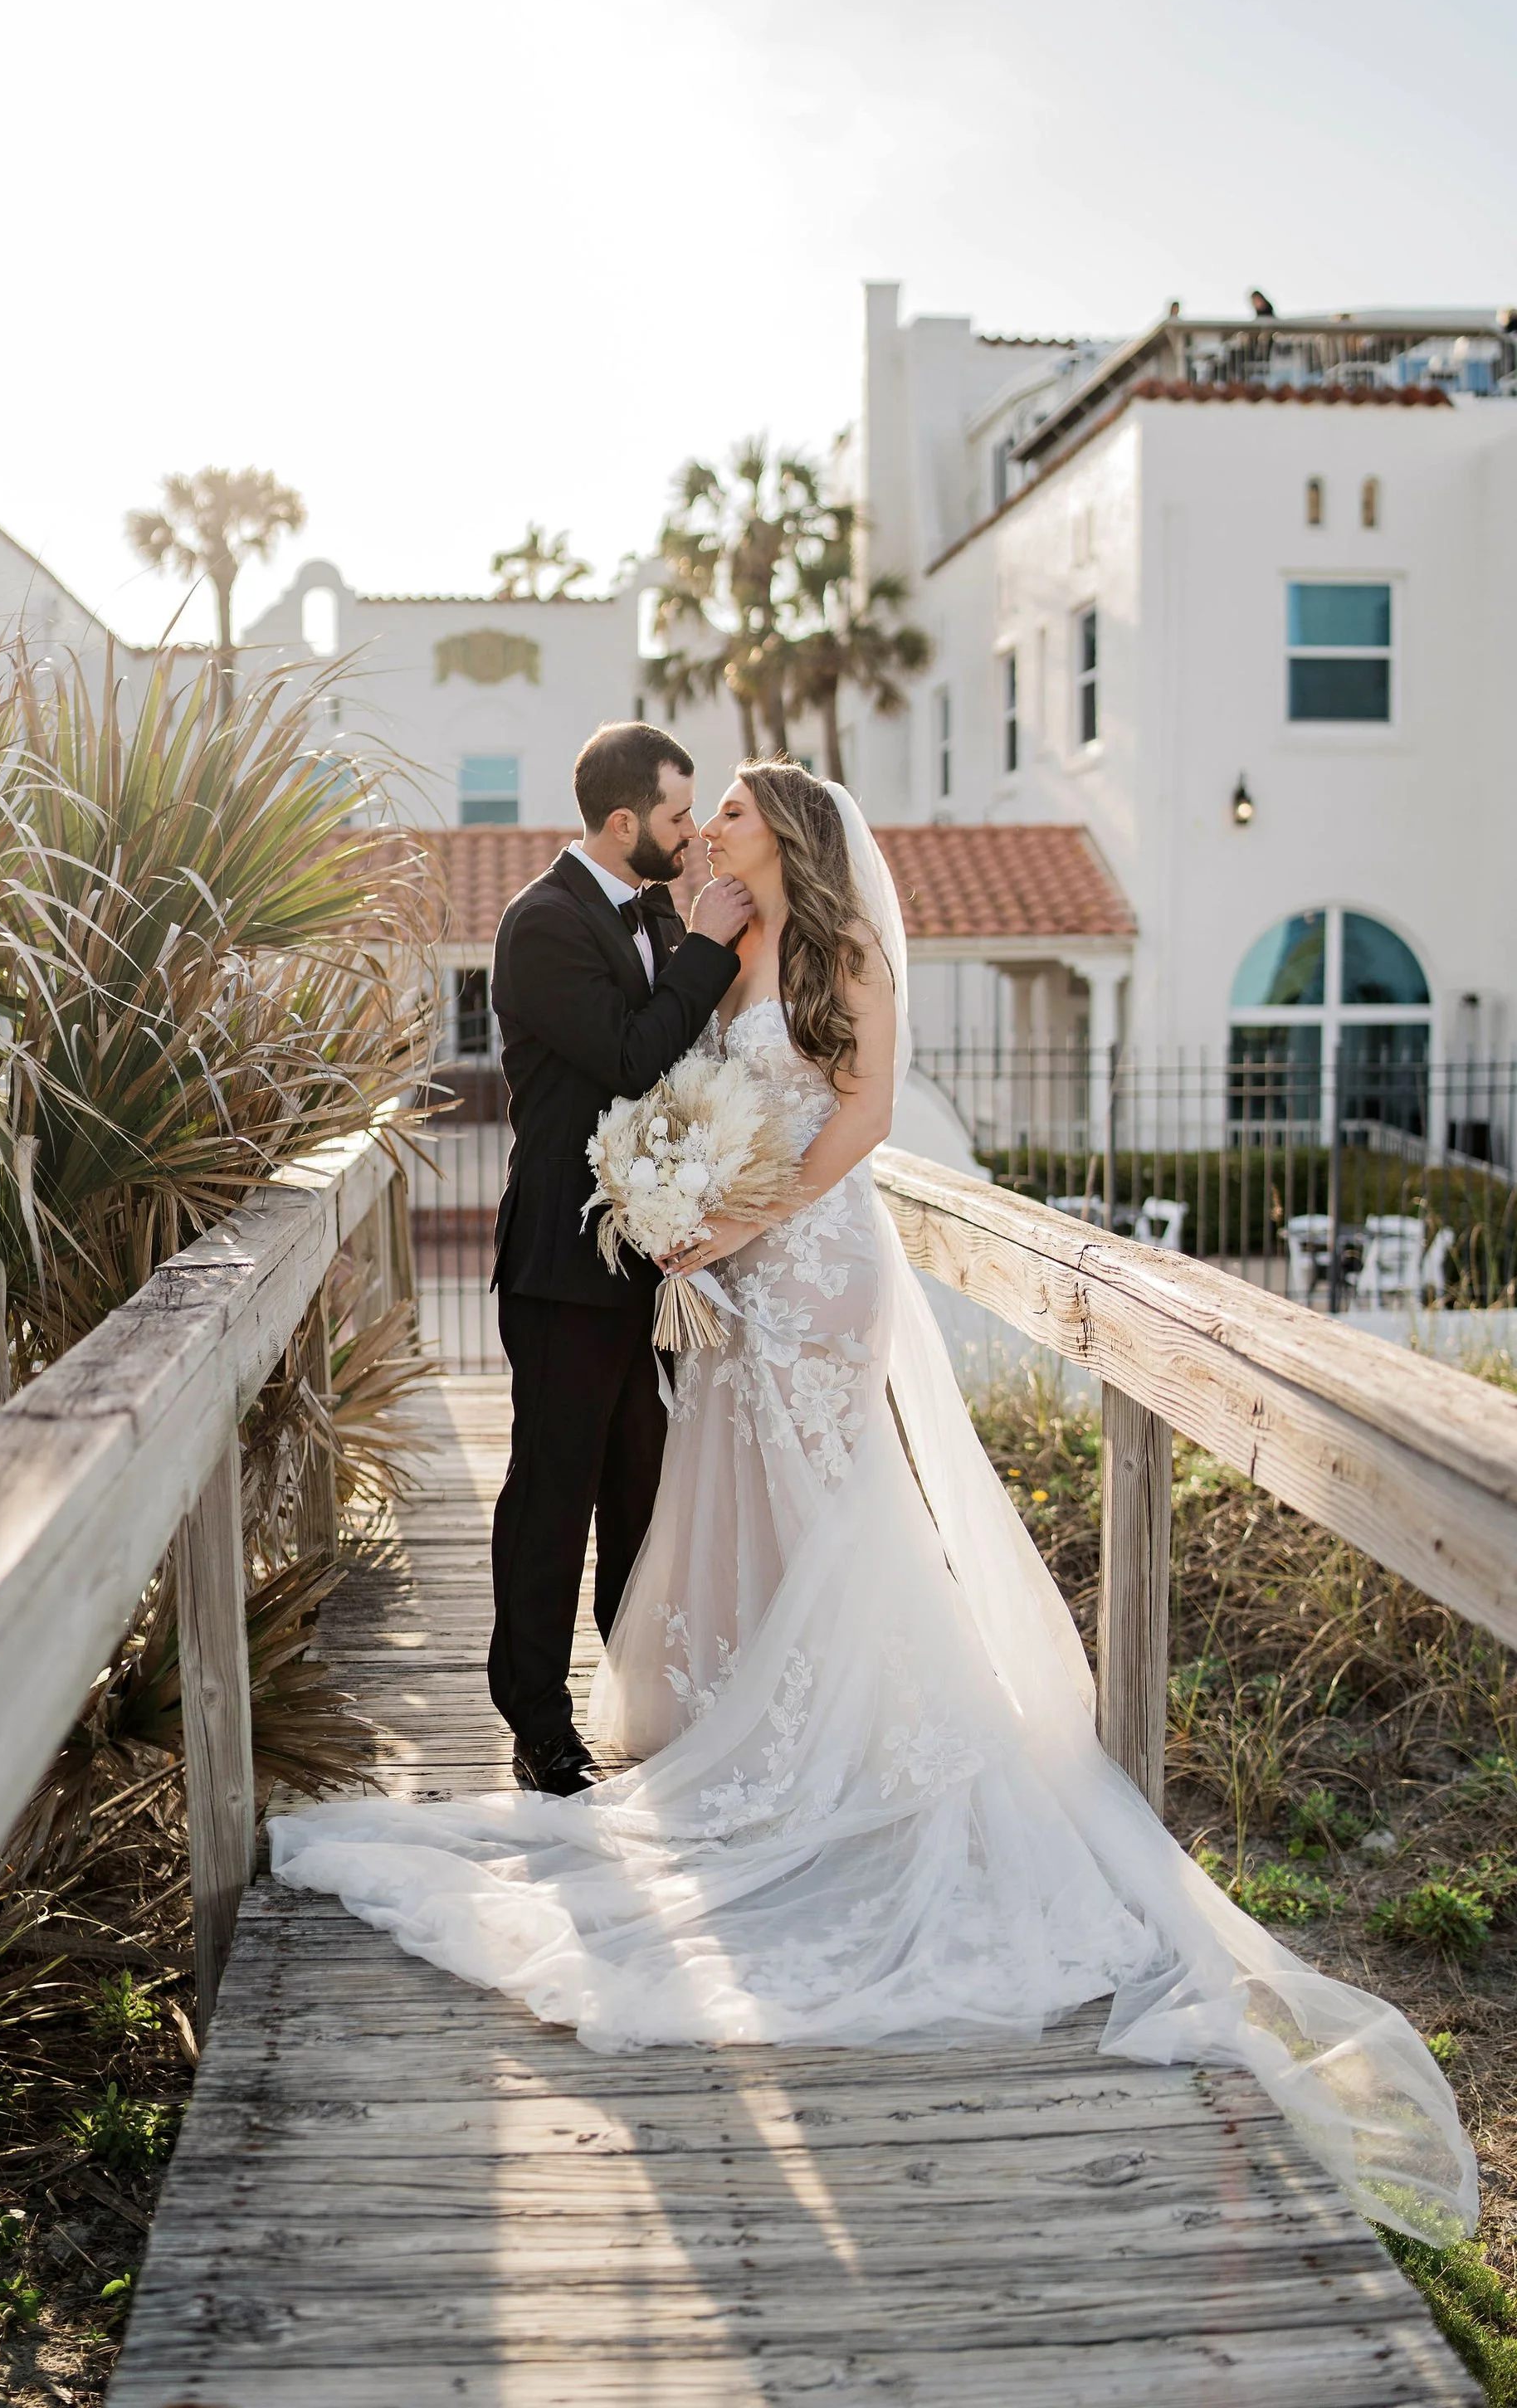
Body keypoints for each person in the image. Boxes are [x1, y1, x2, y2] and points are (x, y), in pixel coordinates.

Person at [273, 760, 1476, 2248]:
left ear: (784, 834)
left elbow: (864, 1112)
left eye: (726, 811)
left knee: (832, 1508)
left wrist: (736, 1218)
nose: (706, 826)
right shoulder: (713, 951)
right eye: (695, 808)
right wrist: (679, 1210)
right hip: (715, 1272)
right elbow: (671, 1087)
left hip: (807, 1269)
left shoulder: (836, 955)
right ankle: (760, 1734)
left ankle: (858, 1756)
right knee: (734, 1507)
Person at [482, 722, 753, 1797]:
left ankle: (634, 1696)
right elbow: (636, 1056)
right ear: (626, 820)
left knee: (642, 1489)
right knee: (554, 1495)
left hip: (650, 1262)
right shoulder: (540, 925)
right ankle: (538, 1723)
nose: (691, 837)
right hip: (561, 1261)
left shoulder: (648, 913)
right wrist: (709, 950)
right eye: (680, 817)